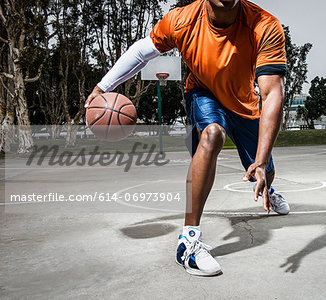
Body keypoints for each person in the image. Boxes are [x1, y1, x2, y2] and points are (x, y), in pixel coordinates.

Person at [85, 0, 290, 277]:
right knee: (212, 135)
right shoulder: (182, 20)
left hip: (245, 104)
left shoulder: (264, 25)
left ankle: (269, 188)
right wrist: (102, 87)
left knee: (265, 173)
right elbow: (140, 52)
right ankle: (189, 241)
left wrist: (262, 161)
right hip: (203, 92)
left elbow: (272, 94)